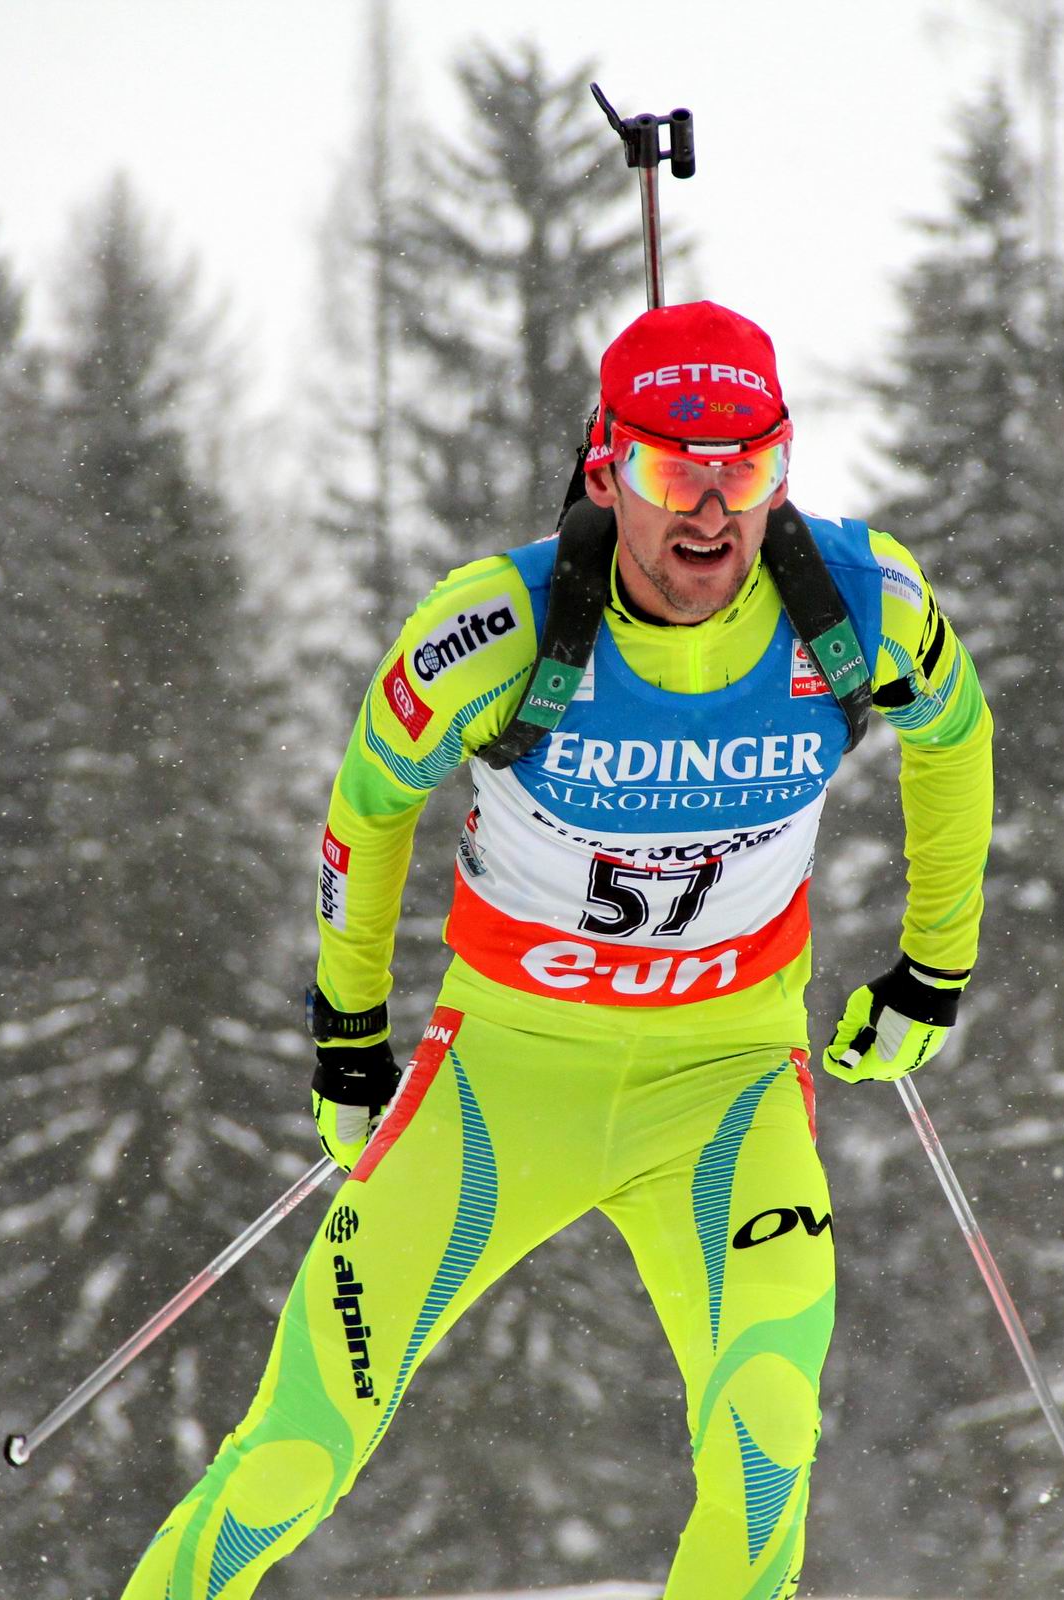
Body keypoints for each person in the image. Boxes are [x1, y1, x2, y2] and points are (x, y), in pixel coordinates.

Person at [123, 300, 992, 1600]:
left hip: (727, 1085)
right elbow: (369, 804)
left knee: (767, 1434)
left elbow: (956, 738)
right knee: (298, 1447)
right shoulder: (498, 627)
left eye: (747, 469)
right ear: (605, 469)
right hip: (501, 1078)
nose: (713, 513)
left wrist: (933, 968)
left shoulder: (859, 606)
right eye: (672, 474)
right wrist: (349, 1037)